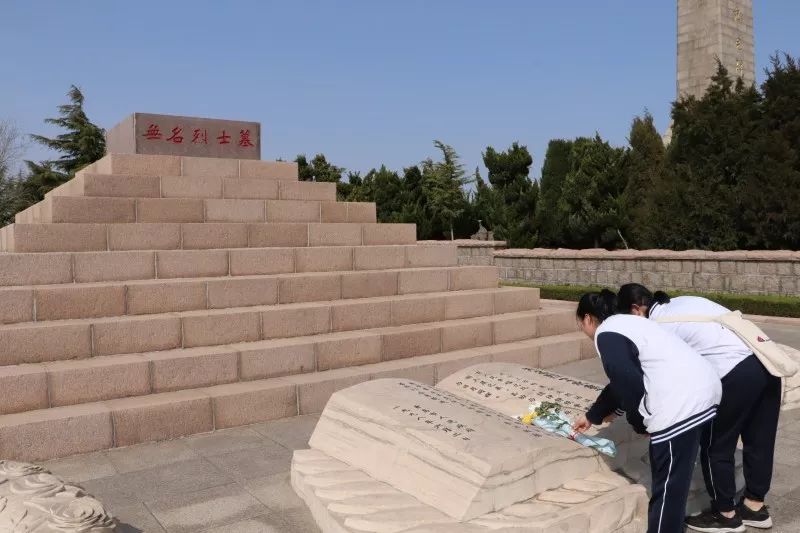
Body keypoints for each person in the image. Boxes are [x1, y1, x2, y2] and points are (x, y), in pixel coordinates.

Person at [617, 283, 781, 532]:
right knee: (760, 441)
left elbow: (650, 375)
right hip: (767, 363)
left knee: (716, 445)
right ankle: (754, 507)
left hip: (736, 372)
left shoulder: (657, 327)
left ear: (635, 309)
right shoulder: (682, 301)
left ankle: (725, 515)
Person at [572, 289, 722, 533]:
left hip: (680, 404)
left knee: (667, 489)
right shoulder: (629, 323)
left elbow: (628, 381)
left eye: (580, 323)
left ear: (588, 318)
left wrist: (640, 422)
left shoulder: (606, 333)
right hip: (703, 391)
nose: (583, 329)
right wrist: (593, 416)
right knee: (675, 482)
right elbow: (621, 381)